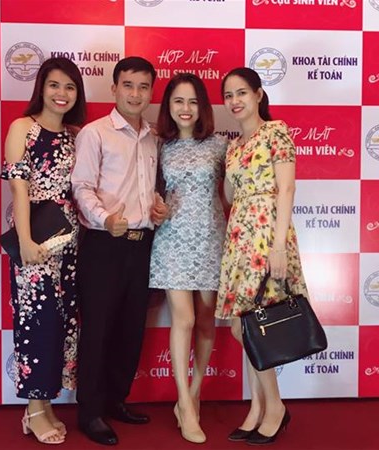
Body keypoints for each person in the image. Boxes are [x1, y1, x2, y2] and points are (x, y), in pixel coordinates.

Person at [71, 56, 168, 446]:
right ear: (114, 88)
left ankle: (116, 400)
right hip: (103, 245)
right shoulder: (94, 133)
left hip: (142, 247)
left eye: (143, 87)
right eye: (128, 85)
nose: (135, 94)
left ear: (151, 92)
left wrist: (157, 207)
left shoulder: (154, 137)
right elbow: (81, 186)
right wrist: (104, 218)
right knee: (98, 330)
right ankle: (90, 412)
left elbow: (152, 188)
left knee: (130, 329)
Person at [216, 67, 309, 445]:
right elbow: (228, 195)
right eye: (228, 95)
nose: (234, 101)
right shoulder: (233, 146)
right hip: (239, 237)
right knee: (243, 326)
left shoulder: (276, 132)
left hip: (267, 236)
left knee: (256, 325)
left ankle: (275, 408)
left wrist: (278, 246)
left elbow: (286, 189)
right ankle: (258, 407)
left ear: (258, 95)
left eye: (241, 92)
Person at [1, 56, 86, 445]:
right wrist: (25, 242)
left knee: (61, 322)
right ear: (41, 88)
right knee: (36, 321)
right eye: (54, 85)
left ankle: (45, 404)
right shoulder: (23, 128)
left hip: (69, 244)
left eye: (69, 87)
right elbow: (18, 188)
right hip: (34, 239)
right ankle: (35, 410)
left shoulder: (76, 135)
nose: (61, 93)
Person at [148, 73, 227, 444]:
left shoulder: (220, 145)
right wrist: (156, 207)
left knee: (207, 322)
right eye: (178, 101)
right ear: (168, 106)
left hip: (211, 240)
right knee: (185, 319)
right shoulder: (158, 145)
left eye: (193, 101)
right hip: (173, 242)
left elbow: (231, 192)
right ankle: (183, 400)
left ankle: (193, 395)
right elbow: (148, 192)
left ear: (203, 107)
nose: (185, 108)